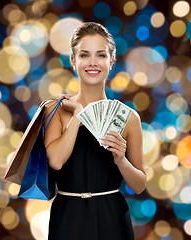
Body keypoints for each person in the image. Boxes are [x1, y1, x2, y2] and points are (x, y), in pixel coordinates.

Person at [43, 22, 146, 240]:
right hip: (68, 217)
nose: (92, 63)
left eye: (100, 55)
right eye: (84, 55)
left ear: (112, 61)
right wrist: (78, 115)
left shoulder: (128, 118)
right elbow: (56, 161)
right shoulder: (55, 109)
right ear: (73, 61)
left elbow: (139, 185)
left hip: (113, 218)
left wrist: (121, 160)